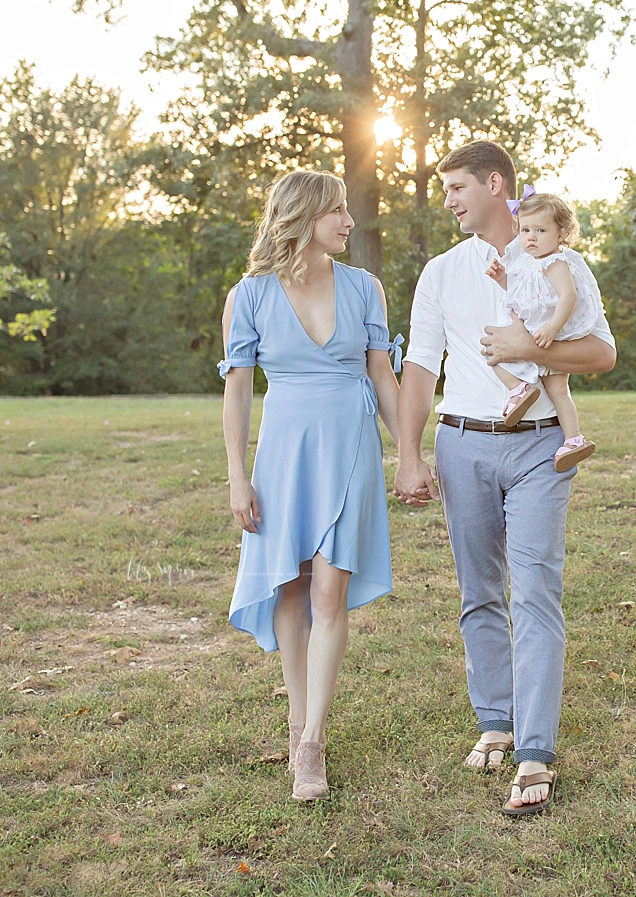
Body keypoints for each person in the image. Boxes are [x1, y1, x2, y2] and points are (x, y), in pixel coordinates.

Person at [395, 140, 616, 816]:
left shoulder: (558, 259)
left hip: (541, 449)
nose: (451, 200)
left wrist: (530, 347)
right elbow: (421, 368)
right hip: (462, 445)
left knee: (537, 593)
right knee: (479, 591)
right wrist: (408, 452)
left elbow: (602, 352)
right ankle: (495, 718)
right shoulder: (441, 271)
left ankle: (535, 751)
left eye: (459, 187)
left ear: (496, 184)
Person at [218, 170, 403, 802]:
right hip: (282, 455)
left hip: (348, 447)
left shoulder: (364, 288)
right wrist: (238, 477)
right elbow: (238, 391)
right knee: (290, 589)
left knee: (330, 590)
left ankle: (313, 743)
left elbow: (382, 376)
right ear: (304, 216)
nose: (350, 221)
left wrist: (409, 451)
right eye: (337, 211)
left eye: (348, 210)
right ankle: (298, 718)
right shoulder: (250, 294)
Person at [484, 190, 602, 471]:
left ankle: (570, 435)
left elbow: (568, 297)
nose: (531, 237)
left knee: (557, 389)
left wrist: (552, 328)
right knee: (498, 355)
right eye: (525, 230)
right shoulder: (528, 263)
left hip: (547, 333)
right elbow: (520, 294)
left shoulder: (556, 262)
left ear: (561, 234)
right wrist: (503, 279)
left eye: (540, 230)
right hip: (535, 331)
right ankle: (567, 433)